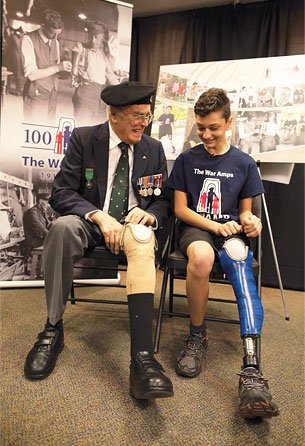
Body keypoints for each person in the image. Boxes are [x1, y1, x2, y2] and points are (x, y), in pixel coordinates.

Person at [24, 81, 174, 401]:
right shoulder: (83, 139)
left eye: (146, 116)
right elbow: (61, 193)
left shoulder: (153, 149)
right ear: (114, 114)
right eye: (136, 115)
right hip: (92, 222)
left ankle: (142, 358)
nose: (142, 123)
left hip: (133, 228)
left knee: (144, 236)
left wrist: (148, 214)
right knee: (62, 228)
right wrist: (97, 215)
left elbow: (162, 201)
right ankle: (52, 328)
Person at [166, 88, 279, 419]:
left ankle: (252, 368)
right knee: (201, 258)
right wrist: (214, 227)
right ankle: (197, 337)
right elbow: (180, 210)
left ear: (229, 122)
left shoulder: (244, 163)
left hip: (230, 231)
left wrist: (250, 221)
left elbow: (245, 213)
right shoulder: (188, 159)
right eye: (201, 127)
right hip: (198, 228)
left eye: (213, 127)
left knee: (239, 259)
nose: (206, 134)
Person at [20, 9, 72, 123]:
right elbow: (32, 75)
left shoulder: (55, 42)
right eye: (53, 33)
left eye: (58, 34)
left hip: (52, 93)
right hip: (36, 94)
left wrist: (66, 70)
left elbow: (55, 69)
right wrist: (58, 67)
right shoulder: (28, 39)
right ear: (42, 26)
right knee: (34, 129)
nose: (55, 37)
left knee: (49, 128)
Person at [71, 21, 118, 126]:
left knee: (97, 132)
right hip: (85, 97)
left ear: (103, 39)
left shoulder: (103, 54)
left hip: (100, 100)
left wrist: (124, 91)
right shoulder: (81, 48)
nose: (93, 40)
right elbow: (73, 68)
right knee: (82, 130)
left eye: (97, 38)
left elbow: (110, 75)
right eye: (91, 36)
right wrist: (74, 72)